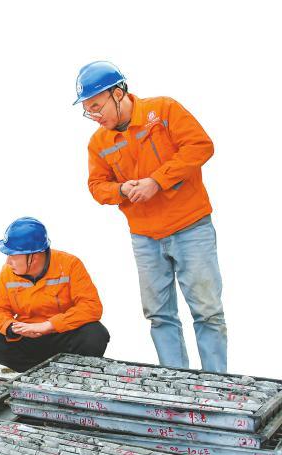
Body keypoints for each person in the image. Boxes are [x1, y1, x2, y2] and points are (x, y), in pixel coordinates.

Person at [76, 60, 226, 371]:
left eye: (97, 106)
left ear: (118, 94)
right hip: (145, 237)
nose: (94, 116)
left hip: (190, 227)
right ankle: (176, 380)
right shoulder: (99, 143)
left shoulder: (164, 110)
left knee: (207, 310)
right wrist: (121, 189)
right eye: (88, 111)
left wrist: (157, 181)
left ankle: (216, 381)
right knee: (159, 314)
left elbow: (200, 146)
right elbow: (97, 186)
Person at [0, 217, 109, 372]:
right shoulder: (7, 272)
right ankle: (36, 372)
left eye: (13, 255)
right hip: (28, 338)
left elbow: (91, 306)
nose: (8, 261)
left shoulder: (69, 264)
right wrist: (13, 328)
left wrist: (49, 325)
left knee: (95, 333)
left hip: (63, 333)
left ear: (34, 256)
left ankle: (72, 370)